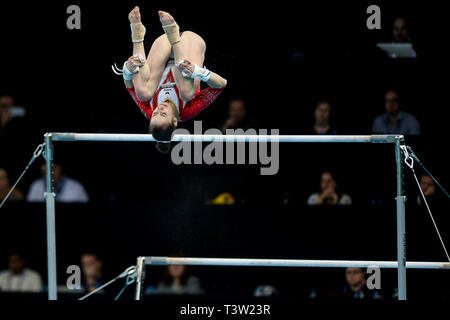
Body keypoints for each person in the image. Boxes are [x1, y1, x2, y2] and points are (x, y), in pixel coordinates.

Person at [117, 7, 227, 153]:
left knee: (143, 93)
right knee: (186, 94)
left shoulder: (149, 110)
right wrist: (199, 72)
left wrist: (127, 71)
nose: (158, 109)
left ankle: (137, 33)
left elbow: (130, 87)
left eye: (154, 114)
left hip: (162, 46)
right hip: (189, 43)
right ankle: (175, 37)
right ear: (175, 122)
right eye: (163, 114)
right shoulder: (188, 111)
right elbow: (220, 85)